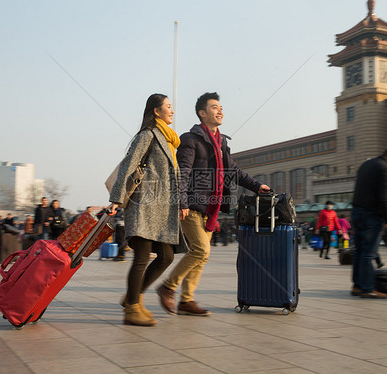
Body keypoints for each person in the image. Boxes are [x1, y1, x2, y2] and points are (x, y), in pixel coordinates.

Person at [156, 92, 270, 316]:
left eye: (221, 107)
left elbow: (233, 170)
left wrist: (256, 186)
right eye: (215, 107)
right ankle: (167, 287)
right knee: (200, 250)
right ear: (202, 112)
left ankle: (186, 301)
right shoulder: (191, 139)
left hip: (211, 208)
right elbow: (183, 173)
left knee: (202, 255)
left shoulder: (221, 142)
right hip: (191, 206)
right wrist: (181, 202)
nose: (220, 111)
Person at [109, 93, 184, 326]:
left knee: (167, 256)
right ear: (156, 111)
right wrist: (117, 198)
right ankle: (132, 309)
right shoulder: (147, 135)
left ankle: (133, 298)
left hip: (163, 211)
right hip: (143, 206)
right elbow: (129, 165)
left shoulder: (169, 141)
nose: (172, 111)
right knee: (142, 257)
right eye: (168, 107)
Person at [350, 146, 387, 298]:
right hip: (371, 215)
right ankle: (367, 288)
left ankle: (357, 286)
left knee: (359, 252)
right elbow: (384, 196)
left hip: (357, 212)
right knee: (369, 253)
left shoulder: (367, 164)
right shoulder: (385, 168)